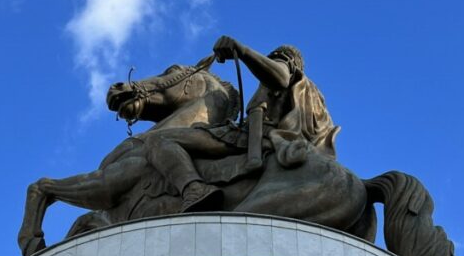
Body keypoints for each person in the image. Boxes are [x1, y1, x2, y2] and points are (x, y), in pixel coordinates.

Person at [141, 35, 339, 211]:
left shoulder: (286, 75)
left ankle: (194, 188)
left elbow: (281, 77)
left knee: (160, 140)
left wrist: (242, 50)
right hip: (269, 138)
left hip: (252, 138)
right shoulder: (313, 94)